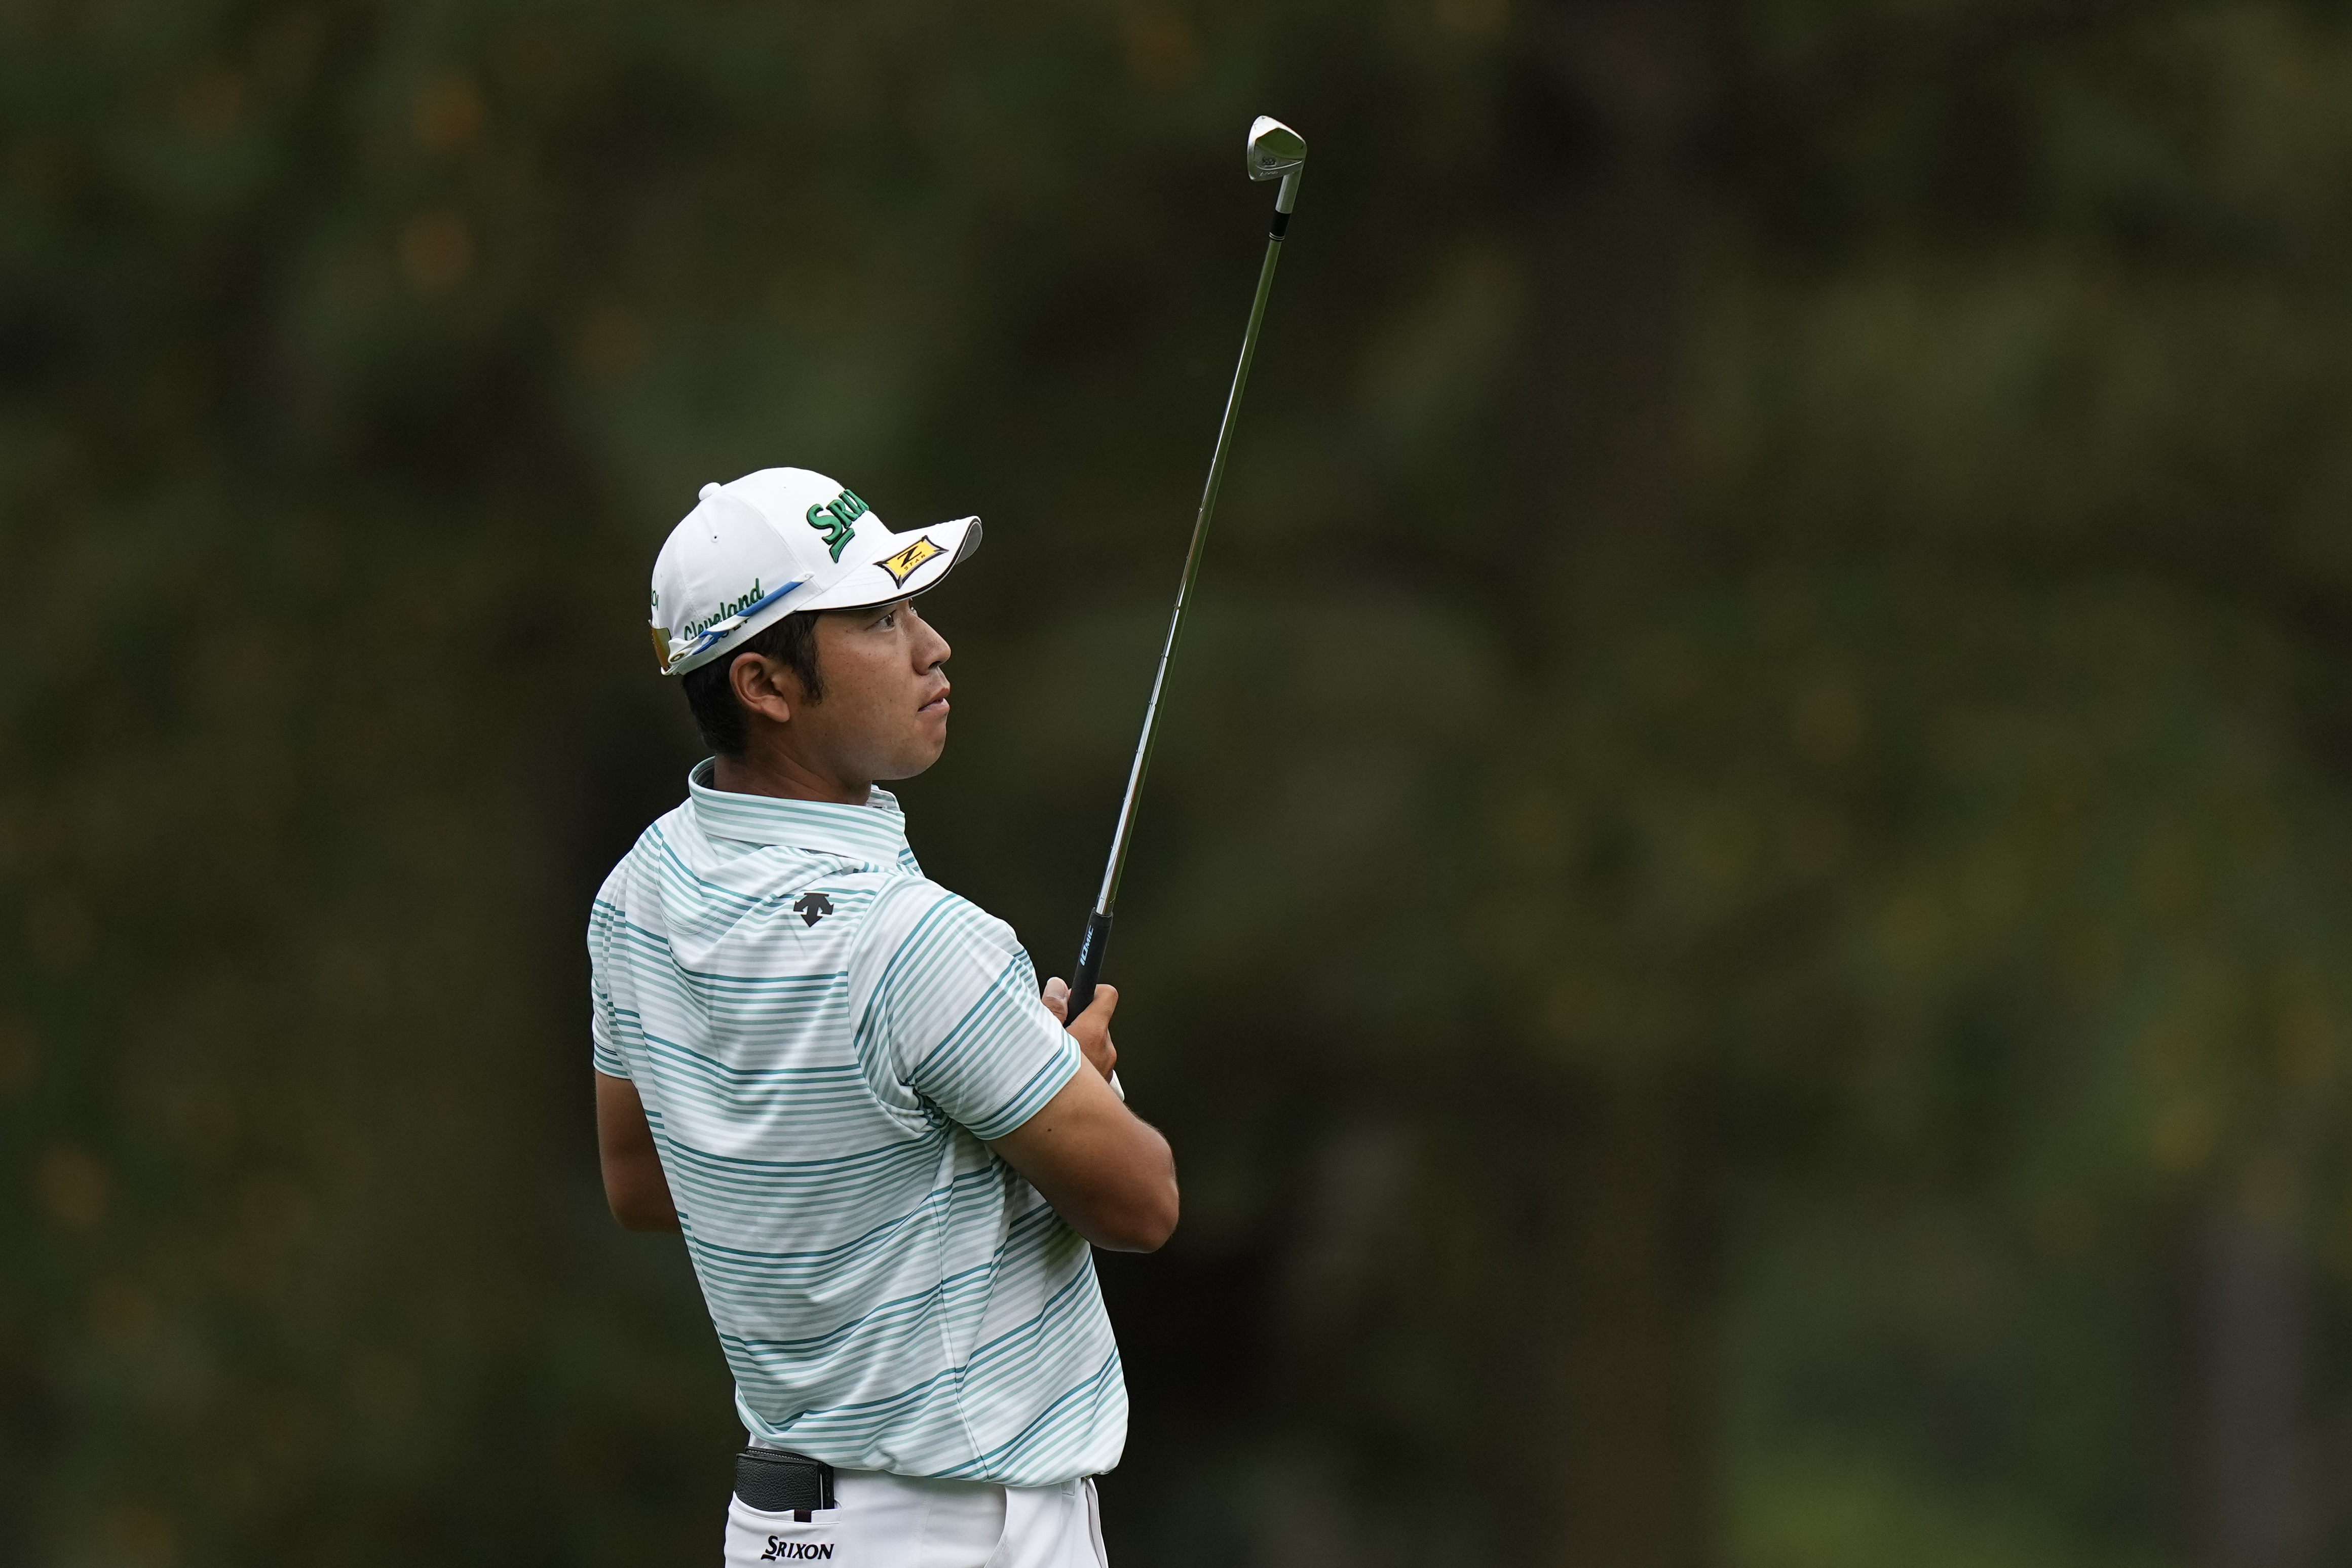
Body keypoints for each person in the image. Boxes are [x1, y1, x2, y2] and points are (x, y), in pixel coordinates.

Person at [587, 468, 1179, 1568]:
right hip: (966, 1533)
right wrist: (1066, 1088)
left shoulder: (637, 894)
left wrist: (938, 1128)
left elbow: (643, 1185)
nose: (931, 645)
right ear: (764, 684)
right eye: (877, 619)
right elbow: (1140, 1204)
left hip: (779, 1534)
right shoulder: (917, 938)